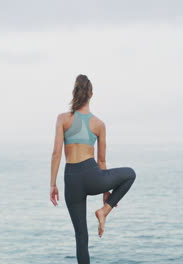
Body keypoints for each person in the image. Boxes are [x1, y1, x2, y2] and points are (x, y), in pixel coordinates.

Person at [49, 74, 136, 264]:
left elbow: (56, 154)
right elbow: (102, 161)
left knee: (81, 238)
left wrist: (52, 184)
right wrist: (106, 193)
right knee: (130, 174)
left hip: (71, 179)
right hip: (92, 176)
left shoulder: (62, 119)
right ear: (92, 95)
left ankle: (103, 211)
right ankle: (104, 211)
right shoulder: (99, 124)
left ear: (74, 93)